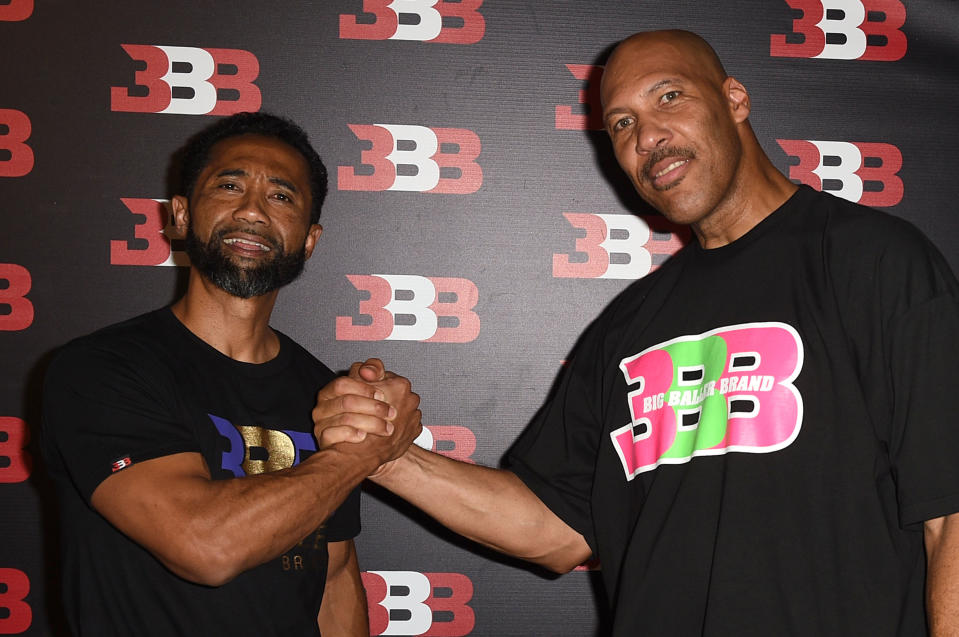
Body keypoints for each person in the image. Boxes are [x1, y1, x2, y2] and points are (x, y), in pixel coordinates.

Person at [319, 30, 959, 635]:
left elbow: (948, 518)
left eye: (669, 97)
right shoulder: (630, 325)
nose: (648, 136)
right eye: (622, 123)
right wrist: (387, 454)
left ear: (734, 98)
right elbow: (556, 528)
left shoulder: (872, 260)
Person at [40, 112, 421, 636]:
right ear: (179, 215)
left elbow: (333, 581)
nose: (253, 210)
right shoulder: (101, 369)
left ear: (309, 240)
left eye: (282, 197)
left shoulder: (323, 393)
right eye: (229, 185)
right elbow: (204, 547)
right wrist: (358, 454)